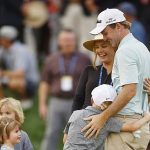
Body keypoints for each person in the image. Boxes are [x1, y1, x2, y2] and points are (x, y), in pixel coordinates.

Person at [81, 8, 150, 150]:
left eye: (105, 33)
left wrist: (103, 117)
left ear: (118, 27)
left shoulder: (125, 51)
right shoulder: (142, 48)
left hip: (127, 125)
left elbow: (129, 91)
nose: (104, 37)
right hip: (140, 127)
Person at [39, 29, 91, 150]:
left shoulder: (84, 59)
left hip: (78, 103)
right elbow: (44, 83)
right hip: (56, 101)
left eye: (70, 40)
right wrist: (42, 104)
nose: (68, 43)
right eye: (65, 40)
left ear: (75, 41)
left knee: (78, 133)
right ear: (59, 42)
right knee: (51, 133)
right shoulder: (51, 59)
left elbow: (90, 82)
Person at [63, 84, 150, 150]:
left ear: (92, 99)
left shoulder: (75, 114)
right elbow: (132, 127)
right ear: (113, 105)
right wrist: (146, 117)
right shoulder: (106, 121)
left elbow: (65, 139)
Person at [72, 33, 115, 111]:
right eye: (96, 47)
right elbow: (78, 99)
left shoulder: (122, 73)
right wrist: (72, 121)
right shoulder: (89, 71)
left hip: (111, 119)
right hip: (85, 119)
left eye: (104, 46)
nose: (99, 50)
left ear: (114, 47)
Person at [0, 26, 39, 109]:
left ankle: (25, 100)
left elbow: (20, 74)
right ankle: (3, 103)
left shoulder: (20, 51)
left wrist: (2, 73)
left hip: (30, 82)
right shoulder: (4, 49)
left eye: (1, 38)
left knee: (15, 82)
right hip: (15, 77)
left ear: (7, 39)